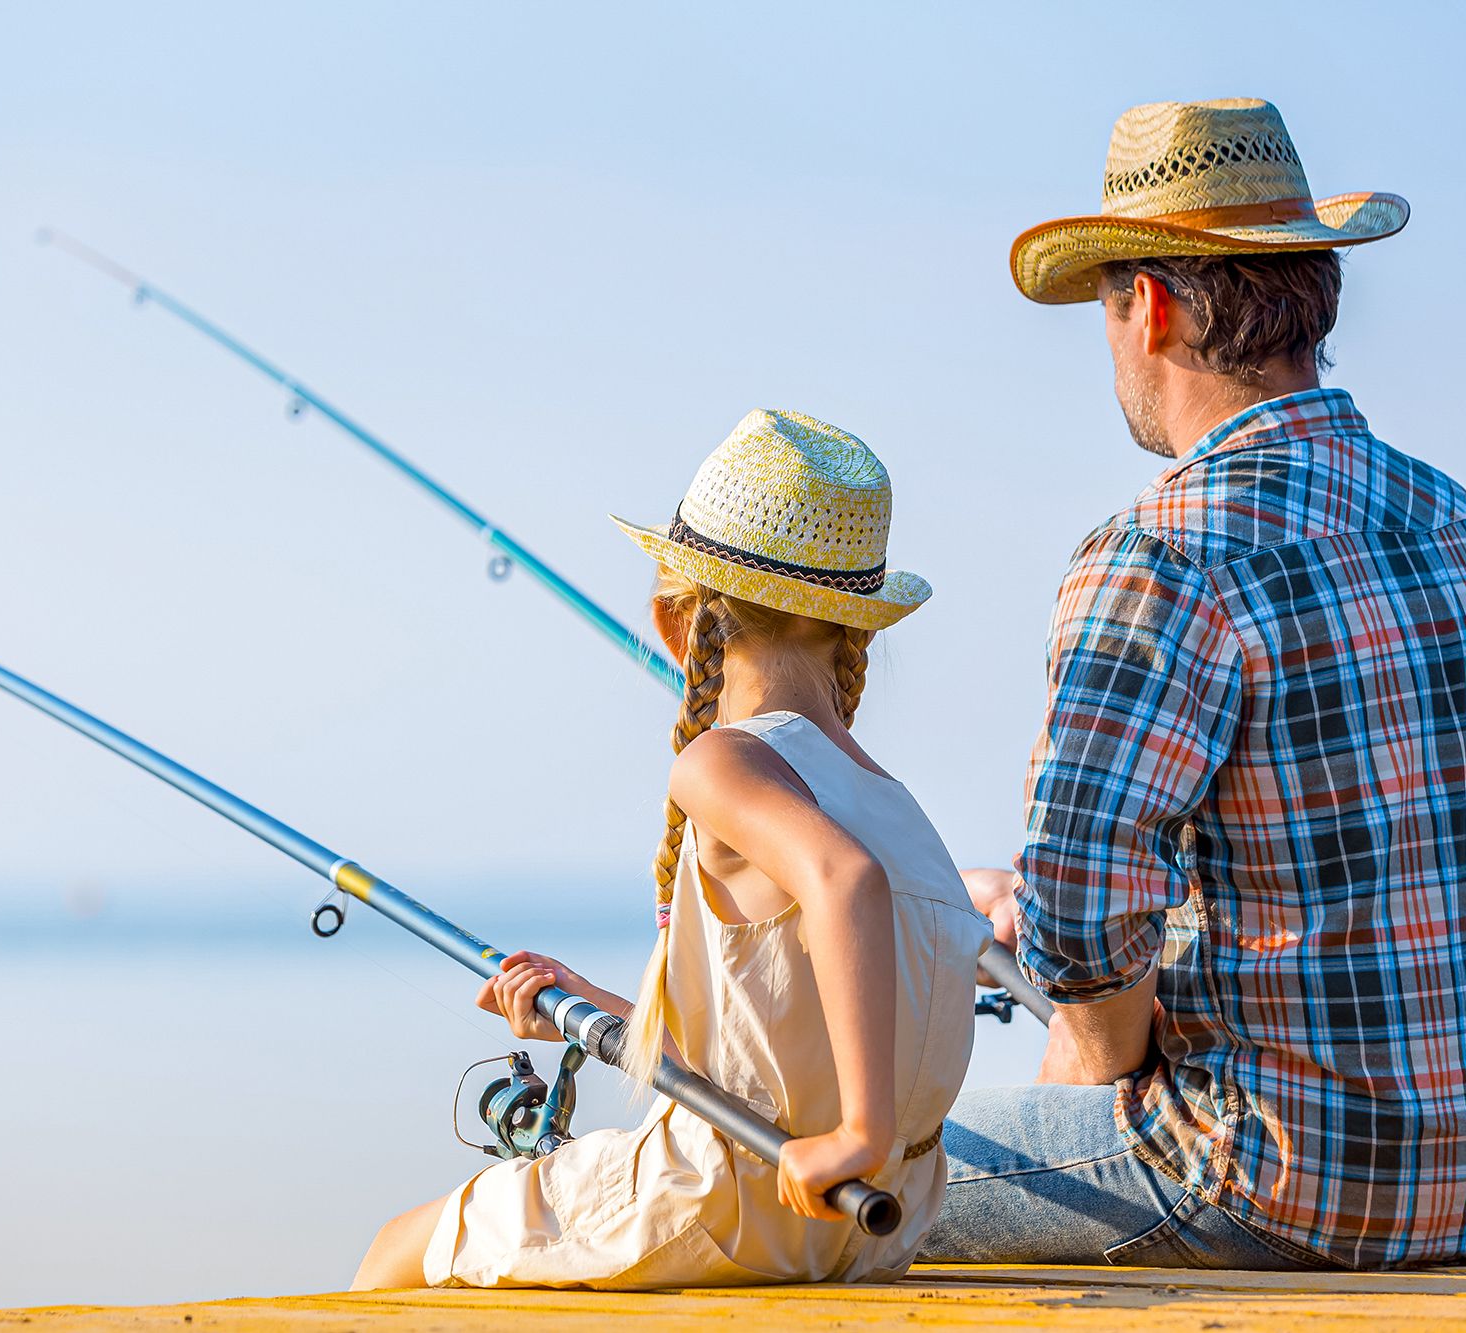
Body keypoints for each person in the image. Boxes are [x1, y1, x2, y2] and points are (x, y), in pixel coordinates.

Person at [923, 98, 1466, 1270]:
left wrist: (1099, 1038)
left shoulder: (1160, 553)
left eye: (1105, 302)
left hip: (1276, 1184)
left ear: (1154, 306)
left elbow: (1080, 927)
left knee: (828, 1159)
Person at [352, 409, 992, 1289]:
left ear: (675, 620)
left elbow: (847, 884)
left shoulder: (722, 761)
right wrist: (593, 1008)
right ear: (857, 631)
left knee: (397, 1247)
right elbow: (771, 1048)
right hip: (877, 1220)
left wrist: (856, 1137)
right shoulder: (894, 800)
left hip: (733, 1200)